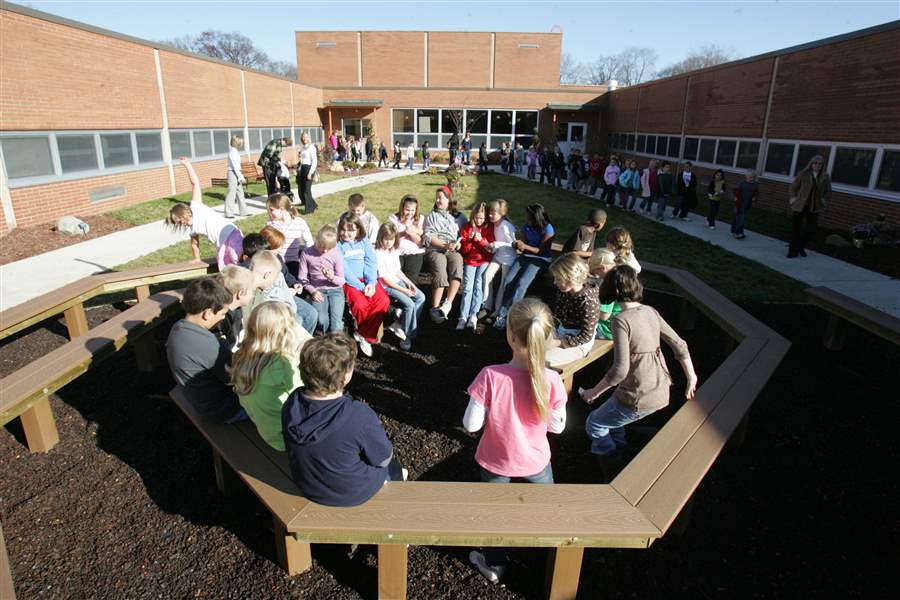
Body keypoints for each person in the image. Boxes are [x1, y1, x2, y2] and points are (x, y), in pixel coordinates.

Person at [464, 298, 567, 583]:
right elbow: (558, 427)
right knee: (548, 506)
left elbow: (471, 425)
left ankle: (494, 564)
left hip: (496, 460)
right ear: (547, 336)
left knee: (494, 514)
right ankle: (548, 550)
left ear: (510, 335)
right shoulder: (552, 379)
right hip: (536, 461)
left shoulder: (490, 376)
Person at [580, 266, 697, 476]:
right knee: (612, 415)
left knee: (595, 423)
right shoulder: (650, 311)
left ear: (610, 289)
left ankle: (614, 469)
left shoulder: (621, 320)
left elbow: (620, 370)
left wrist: (593, 392)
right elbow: (680, 344)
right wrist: (691, 376)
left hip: (639, 396)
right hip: (660, 388)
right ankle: (620, 447)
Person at [282, 334, 406, 507]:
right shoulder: (358, 415)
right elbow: (382, 458)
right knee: (393, 467)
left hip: (310, 487)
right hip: (353, 493)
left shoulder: (292, 404)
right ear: (345, 377)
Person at [231, 301, 311, 451]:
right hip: (286, 438)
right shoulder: (283, 365)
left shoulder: (241, 356)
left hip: (266, 429)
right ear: (284, 332)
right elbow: (307, 399)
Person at [165, 277, 244, 423]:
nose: (222, 318)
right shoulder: (209, 345)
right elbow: (238, 378)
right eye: (222, 314)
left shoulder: (177, 328)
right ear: (207, 313)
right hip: (224, 409)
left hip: (199, 398)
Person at [166, 157, 243, 271]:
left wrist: (187, 165)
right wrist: (197, 259)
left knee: (237, 257)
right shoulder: (192, 230)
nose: (182, 224)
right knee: (224, 265)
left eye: (180, 221)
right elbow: (194, 244)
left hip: (230, 232)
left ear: (183, 214)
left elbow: (195, 183)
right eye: (179, 224)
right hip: (222, 243)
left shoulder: (196, 206)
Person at [493, 204, 555, 329]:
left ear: (535, 217)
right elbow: (524, 245)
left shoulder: (548, 229)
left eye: (528, 216)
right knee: (508, 280)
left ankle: (513, 316)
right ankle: (502, 314)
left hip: (541, 259)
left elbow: (540, 251)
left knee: (521, 284)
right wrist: (518, 245)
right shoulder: (527, 226)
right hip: (526, 256)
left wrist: (525, 246)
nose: (526, 218)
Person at [337, 212, 390, 357]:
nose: (346, 233)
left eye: (351, 230)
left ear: (358, 229)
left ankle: (362, 333)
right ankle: (368, 335)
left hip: (368, 280)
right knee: (361, 305)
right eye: (343, 229)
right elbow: (344, 270)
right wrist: (360, 287)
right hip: (351, 282)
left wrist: (371, 282)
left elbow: (371, 261)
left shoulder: (364, 241)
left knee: (383, 301)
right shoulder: (338, 245)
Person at [544, 253, 601, 367]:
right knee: (528, 350)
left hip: (579, 344)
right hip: (561, 334)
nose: (555, 282)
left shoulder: (588, 301)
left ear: (571, 277)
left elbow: (586, 335)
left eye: (558, 279)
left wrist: (558, 343)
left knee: (541, 360)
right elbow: (557, 317)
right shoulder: (564, 291)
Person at [375, 222, 426, 350]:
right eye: (386, 239)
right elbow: (385, 280)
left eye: (391, 239)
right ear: (380, 238)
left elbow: (397, 271)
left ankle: (400, 324)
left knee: (421, 297)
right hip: (387, 287)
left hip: (398, 282)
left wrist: (409, 283)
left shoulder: (393, 251)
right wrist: (404, 290)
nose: (388, 242)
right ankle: (408, 335)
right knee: (409, 304)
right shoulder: (378, 254)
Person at [247, 250, 318, 336]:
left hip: (283, 306)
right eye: (274, 278)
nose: (274, 280)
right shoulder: (251, 295)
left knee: (310, 314)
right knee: (297, 321)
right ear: (267, 275)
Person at [423, 186, 463, 324]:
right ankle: (434, 308)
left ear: (449, 199)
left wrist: (458, 244)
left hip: (452, 249)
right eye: (437, 198)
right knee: (440, 267)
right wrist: (444, 245)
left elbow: (463, 235)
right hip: (435, 249)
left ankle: (447, 304)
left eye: (441, 197)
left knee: (457, 261)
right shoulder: (432, 216)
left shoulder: (459, 217)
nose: (437, 200)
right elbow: (428, 236)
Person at [298, 225, 346, 334]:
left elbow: (341, 281)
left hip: (335, 290)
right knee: (322, 320)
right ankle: (325, 338)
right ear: (317, 240)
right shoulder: (307, 253)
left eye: (329, 248)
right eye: (322, 246)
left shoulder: (336, 254)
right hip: (318, 290)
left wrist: (331, 277)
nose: (325, 250)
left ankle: (336, 341)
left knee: (336, 323)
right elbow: (302, 278)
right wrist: (312, 291)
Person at [457, 202, 494, 331]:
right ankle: (463, 316)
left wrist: (481, 240)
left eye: (481, 218)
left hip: (484, 260)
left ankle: (473, 315)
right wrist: (468, 241)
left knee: (478, 285)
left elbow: (490, 250)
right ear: (473, 216)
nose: (479, 221)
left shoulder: (489, 228)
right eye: (476, 218)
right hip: (470, 261)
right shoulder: (467, 228)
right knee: (468, 287)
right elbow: (464, 251)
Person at [788, 155, 830, 258]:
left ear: (822, 165)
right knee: (796, 229)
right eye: (815, 163)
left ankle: (800, 246)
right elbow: (793, 187)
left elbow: (828, 191)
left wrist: (823, 200)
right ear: (811, 164)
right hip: (800, 205)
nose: (817, 165)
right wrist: (793, 198)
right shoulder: (803, 174)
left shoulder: (825, 177)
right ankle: (792, 251)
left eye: (820, 164)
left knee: (811, 229)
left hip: (814, 207)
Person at [481, 199, 516, 318]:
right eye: (490, 213)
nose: (490, 215)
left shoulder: (506, 226)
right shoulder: (493, 225)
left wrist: (497, 244)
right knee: (487, 276)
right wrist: (492, 248)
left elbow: (513, 244)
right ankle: (486, 306)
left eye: (493, 213)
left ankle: (497, 310)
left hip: (508, 259)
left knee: (503, 284)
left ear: (502, 213)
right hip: (497, 256)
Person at [266, 194, 313, 278]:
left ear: (281, 209)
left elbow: (309, 242)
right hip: (276, 262)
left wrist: (307, 259)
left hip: (293, 262)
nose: (269, 213)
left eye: (272, 210)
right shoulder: (271, 224)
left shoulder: (299, 222)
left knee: (295, 280)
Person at [216, 264, 256, 351]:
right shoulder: (221, 319)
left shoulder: (237, 309)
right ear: (240, 293)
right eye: (252, 291)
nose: (253, 295)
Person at [388, 194, 426, 282]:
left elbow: (420, 242)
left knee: (410, 279)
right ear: (402, 208)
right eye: (407, 210)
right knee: (395, 277)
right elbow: (393, 238)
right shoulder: (394, 219)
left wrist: (411, 233)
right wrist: (405, 233)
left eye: (413, 210)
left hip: (414, 251)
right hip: (397, 251)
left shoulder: (420, 219)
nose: (410, 213)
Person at [587, 248, 623, 340]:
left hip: (606, 329)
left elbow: (604, 315)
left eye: (596, 272)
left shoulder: (608, 284)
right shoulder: (620, 276)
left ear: (603, 268)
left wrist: (585, 310)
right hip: (619, 326)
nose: (596, 275)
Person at [224, 135, 247, 218]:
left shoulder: (235, 152)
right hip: (232, 173)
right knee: (231, 193)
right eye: (240, 142)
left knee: (240, 193)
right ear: (236, 143)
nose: (241, 144)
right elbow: (235, 166)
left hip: (236, 173)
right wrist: (241, 177)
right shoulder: (233, 153)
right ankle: (228, 213)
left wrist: (240, 176)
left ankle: (243, 212)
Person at [732, 170, 759, 240]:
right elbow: (735, 190)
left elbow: (756, 193)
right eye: (750, 177)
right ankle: (737, 233)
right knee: (741, 219)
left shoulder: (755, 184)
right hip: (739, 204)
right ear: (746, 177)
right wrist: (735, 197)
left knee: (739, 218)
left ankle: (736, 230)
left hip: (747, 204)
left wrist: (754, 198)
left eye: (753, 177)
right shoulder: (742, 183)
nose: (751, 178)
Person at [296, 131, 318, 214]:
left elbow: (314, 161)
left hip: (309, 169)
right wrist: (298, 169)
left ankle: (309, 210)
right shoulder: (303, 148)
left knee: (307, 190)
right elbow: (302, 160)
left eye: (306, 137)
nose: (304, 138)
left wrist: (310, 172)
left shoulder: (311, 147)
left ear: (309, 138)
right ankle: (313, 205)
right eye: (303, 137)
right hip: (303, 169)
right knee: (302, 189)